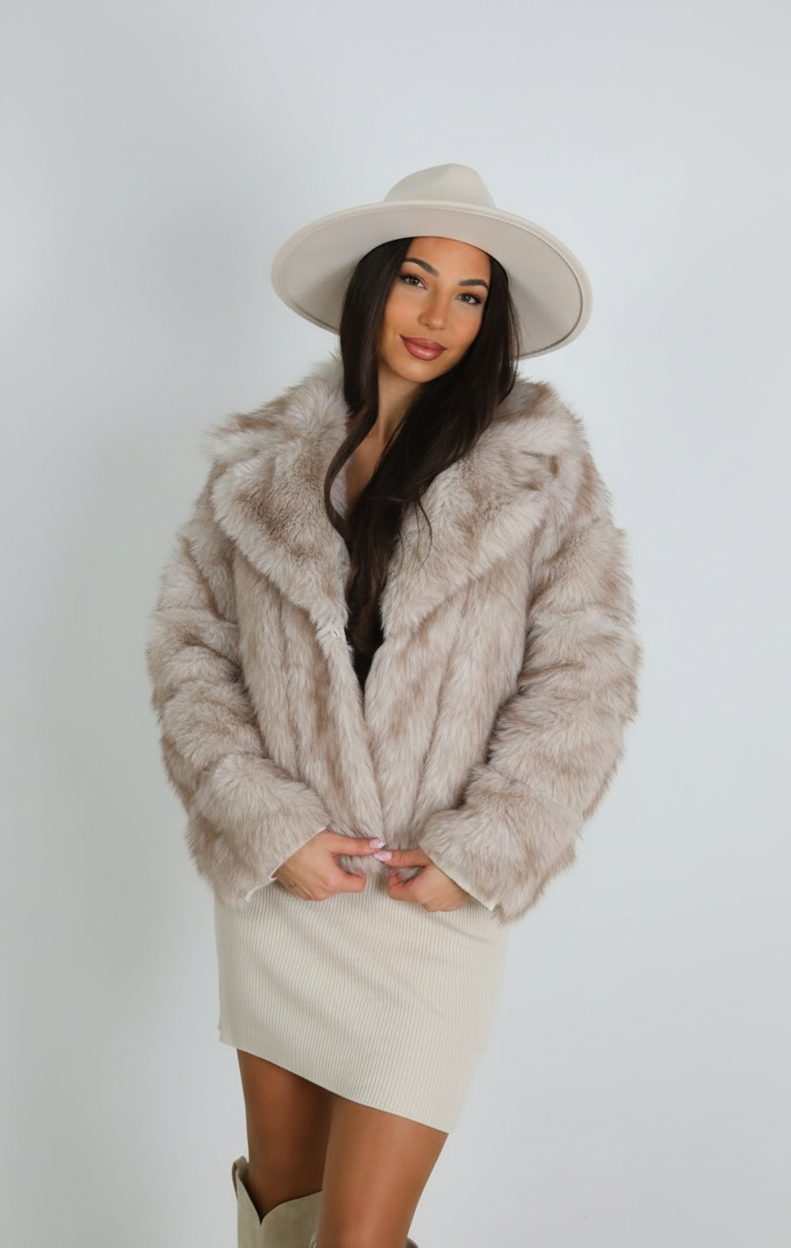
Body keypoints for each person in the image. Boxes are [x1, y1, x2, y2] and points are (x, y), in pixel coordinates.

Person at [147, 164, 640, 1248]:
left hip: (431, 904)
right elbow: (191, 658)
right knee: (283, 1212)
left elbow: (586, 679)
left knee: (355, 1237)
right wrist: (271, 827)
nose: (437, 317)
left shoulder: (541, 470)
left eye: (469, 295)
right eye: (416, 280)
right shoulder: (258, 466)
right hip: (287, 893)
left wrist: (481, 850)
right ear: (371, 288)